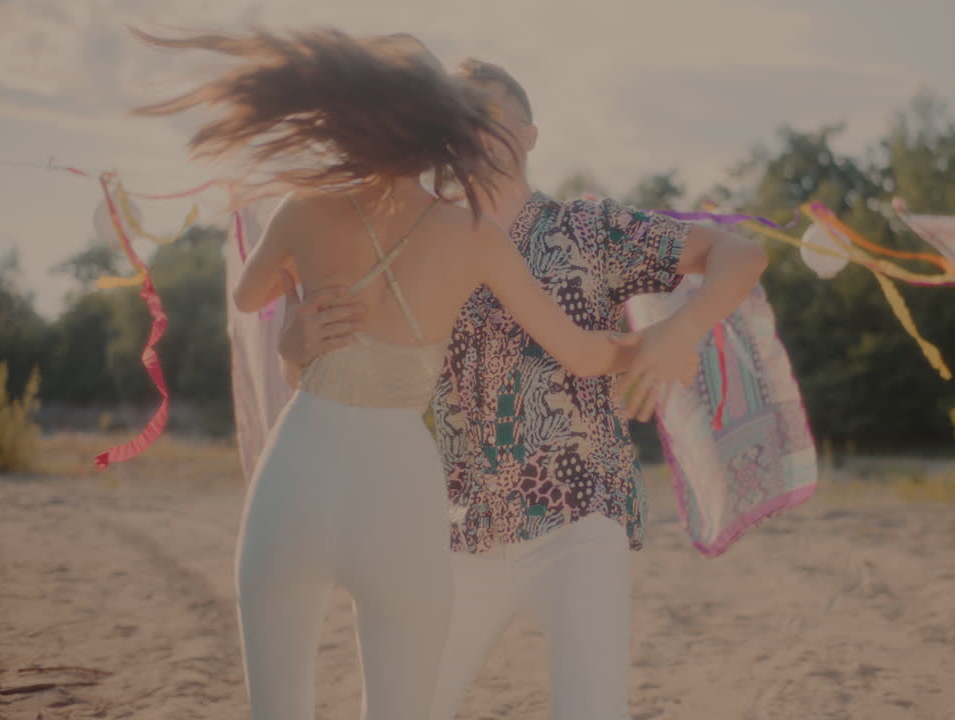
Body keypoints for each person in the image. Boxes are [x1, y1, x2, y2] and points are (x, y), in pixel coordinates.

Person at [132, 28, 655, 720]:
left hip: (292, 478)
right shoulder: (473, 235)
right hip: (398, 492)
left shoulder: (302, 207)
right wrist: (651, 346)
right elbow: (583, 354)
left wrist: (297, 328)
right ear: (439, 125)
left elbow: (248, 296)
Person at [279, 56, 769, 720]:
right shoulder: (421, 244)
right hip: (462, 524)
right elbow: (336, 379)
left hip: (580, 512)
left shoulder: (588, 230)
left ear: (531, 135)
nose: (472, 129)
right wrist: (295, 350)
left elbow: (740, 254)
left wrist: (680, 331)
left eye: (488, 112)